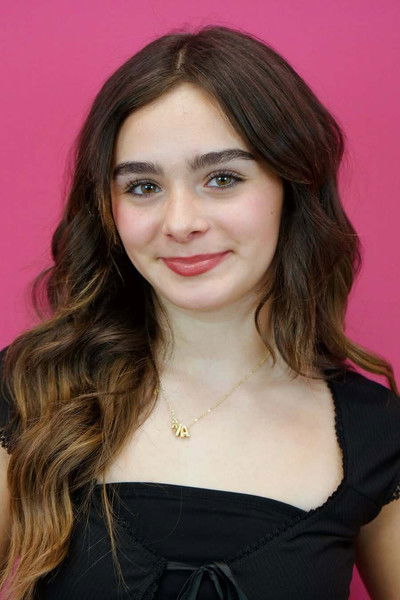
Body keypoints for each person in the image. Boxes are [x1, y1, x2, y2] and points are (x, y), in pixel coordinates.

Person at [0, 24, 399, 600]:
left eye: (222, 179)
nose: (181, 222)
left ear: (292, 188)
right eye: (143, 187)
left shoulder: (373, 431)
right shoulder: (30, 389)